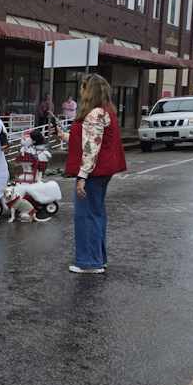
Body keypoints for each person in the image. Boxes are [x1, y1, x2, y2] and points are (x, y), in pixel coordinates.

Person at [63, 73, 126, 274]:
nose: (80, 92)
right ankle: (99, 257)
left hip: (93, 172)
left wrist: (82, 176)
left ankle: (89, 262)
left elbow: (91, 148)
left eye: (83, 88)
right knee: (97, 214)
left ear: (88, 91)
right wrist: (65, 136)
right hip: (103, 171)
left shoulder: (94, 114)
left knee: (86, 216)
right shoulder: (107, 111)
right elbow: (92, 140)